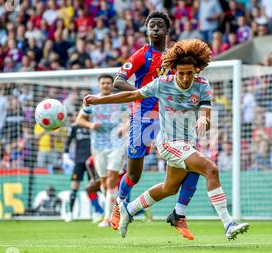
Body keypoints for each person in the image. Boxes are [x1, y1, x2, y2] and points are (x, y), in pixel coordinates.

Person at [84, 39, 250, 241]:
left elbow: (206, 116)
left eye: (190, 73)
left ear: (196, 70)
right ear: (173, 70)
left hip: (187, 144)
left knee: (169, 188)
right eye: (181, 73)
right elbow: (132, 94)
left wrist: (202, 123)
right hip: (168, 143)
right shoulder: (162, 84)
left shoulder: (202, 85)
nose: (185, 78)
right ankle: (228, 224)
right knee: (211, 169)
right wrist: (98, 99)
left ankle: (129, 209)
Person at [112, 11, 201, 239]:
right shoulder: (142, 55)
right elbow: (117, 81)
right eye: (152, 25)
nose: (155, 28)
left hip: (169, 117)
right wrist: (140, 93)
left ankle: (179, 213)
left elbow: (188, 75)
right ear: (147, 30)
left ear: (166, 31)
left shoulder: (174, 56)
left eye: (160, 25)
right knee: (134, 174)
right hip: (142, 117)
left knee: (193, 160)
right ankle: (120, 204)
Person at [80, 74, 129, 227]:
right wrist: (90, 125)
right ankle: (114, 210)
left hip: (116, 144)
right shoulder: (92, 101)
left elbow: (130, 117)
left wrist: (123, 127)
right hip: (98, 146)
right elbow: (79, 119)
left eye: (108, 83)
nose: (106, 85)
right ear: (99, 85)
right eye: (103, 83)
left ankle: (108, 217)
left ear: (111, 85)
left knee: (112, 179)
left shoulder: (119, 99)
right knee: (104, 183)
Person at [64, 113, 103, 223]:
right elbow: (68, 142)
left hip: (92, 161)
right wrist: (65, 155)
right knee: (74, 187)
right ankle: (70, 213)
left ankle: (99, 211)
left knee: (97, 186)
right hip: (79, 161)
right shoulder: (74, 127)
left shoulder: (93, 126)